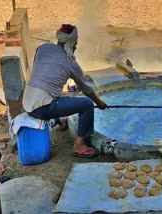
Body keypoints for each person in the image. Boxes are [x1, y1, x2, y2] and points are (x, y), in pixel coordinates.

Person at [22, 24, 108, 158]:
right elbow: (87, 89)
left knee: (55, 93)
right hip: (42, 108)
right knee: (86, 104)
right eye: (75, 44)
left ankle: (60, 122)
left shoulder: (42, 48)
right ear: (70, 44)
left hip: (27, 102)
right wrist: (99, 102)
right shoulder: (70, 62)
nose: (76, 47)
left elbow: (42, 76)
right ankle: (79, 145)